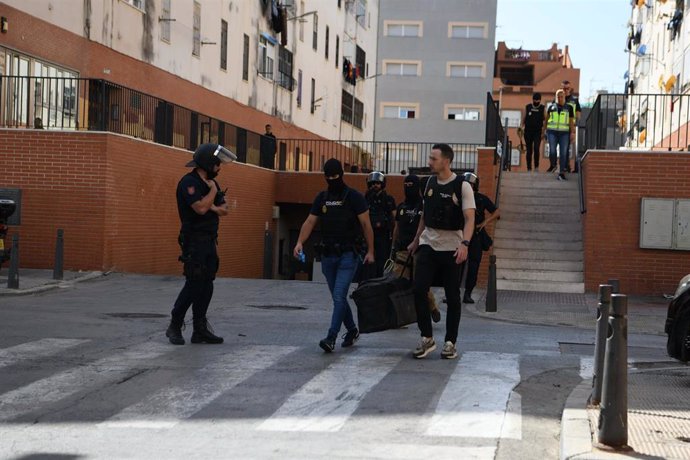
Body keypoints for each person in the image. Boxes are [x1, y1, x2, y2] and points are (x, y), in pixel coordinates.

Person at [293, 158, 375, 352]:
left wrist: (371, 251)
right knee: (338, 297)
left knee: (339, 295)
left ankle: (331, 337)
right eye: (328, 177)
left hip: (349, 254)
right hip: (328, 255)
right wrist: (299, 242)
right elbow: (310, 222)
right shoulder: (322, 198)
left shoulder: (354, 197)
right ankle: (353, 329)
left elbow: (366, 225)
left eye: (335, 176)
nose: (332, 180)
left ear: (342, 175)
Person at [407, 144, 475, 359]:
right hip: (428, 244)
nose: (429, 162)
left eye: (433, 158)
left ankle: (450, 342)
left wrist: (465, 244)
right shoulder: (427, 183)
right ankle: (427, 337)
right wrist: (416, 240)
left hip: (452, 247)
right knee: (418, 289)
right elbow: (424, 216)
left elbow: (470, 218)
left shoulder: (462, 186)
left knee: (453, 296)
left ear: (446, 161)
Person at [166, 143, 237, 345]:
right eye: (217, 165)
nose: (219, 168)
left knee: (207, 284)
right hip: (193, 241)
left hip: (209, 241)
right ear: (208, 163)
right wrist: (212, 194)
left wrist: (211, 203)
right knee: (193, 283)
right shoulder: (189, 183)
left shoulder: (212, 184)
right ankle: (175, 325)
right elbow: (199, 208)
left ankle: (200, 329)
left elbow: (224, 210)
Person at [391, 174, 441, 323]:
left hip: (421, 249)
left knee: (420, 283)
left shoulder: (424, 206)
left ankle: (432, 307)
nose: (408, 188)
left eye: (411, 185)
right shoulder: (401, 207)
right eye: (406, 185)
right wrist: (393, 246)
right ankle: (401, 314)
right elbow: (397, 228)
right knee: (400, 283)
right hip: (402, 250)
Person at [461, 172, 500, 304]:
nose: (468, 186)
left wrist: (485, 223)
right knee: (456, 265)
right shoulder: (459, 198)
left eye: (470, 184)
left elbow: (496, 212)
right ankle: (452, 292)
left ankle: (467, 293)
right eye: (466, 184)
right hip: (461, 235)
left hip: (476, 236)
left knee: (473, 266)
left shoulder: (481, 199)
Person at [364, 171, 396, 279]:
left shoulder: (388, 199)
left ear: (382, 184)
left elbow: (394, 218)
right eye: (372, 183)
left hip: (383, 236)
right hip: (369, 235)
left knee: (382, 262)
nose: (375, 186)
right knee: (369, 264)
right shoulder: (366, 199)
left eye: (377, 183)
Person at [545, 89, 575, 181]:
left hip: (564, 133)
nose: (560, 98)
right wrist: (544, 131)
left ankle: (561, 173)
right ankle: (553, 165)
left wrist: (572, 133)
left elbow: (571, 122)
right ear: (556, 97)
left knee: (563, 153)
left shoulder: (569, 108)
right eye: (558, 96)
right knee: (552, 151)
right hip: (552, 132)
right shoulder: (551, 107)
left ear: (564, 97)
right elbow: (546, 120)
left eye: (561, 96)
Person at [520, 92, 545, 171]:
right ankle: (529, 168)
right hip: (528, 132)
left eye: (538, 101)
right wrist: (520, 128)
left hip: (538, 132)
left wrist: (544, 131)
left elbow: (546, 121)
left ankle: (536, 166)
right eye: (535, 100)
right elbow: (523, 119)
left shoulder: (543, 108)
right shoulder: (528, 107)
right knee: (529, 150)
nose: (536, 102)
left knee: (536, 148)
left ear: (540, 100)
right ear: (533, 100)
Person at [561, 80, 581, 172]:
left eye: (567, 88)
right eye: (563, 88)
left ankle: (566, 166)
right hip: (559, 127)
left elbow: (578, 115)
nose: (565, 90)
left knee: (566, 147)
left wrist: (574, 129)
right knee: (561, 148)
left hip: (570, 127)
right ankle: (564, 166)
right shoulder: (558, 99)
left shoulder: (574, 100)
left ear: (570, 89)